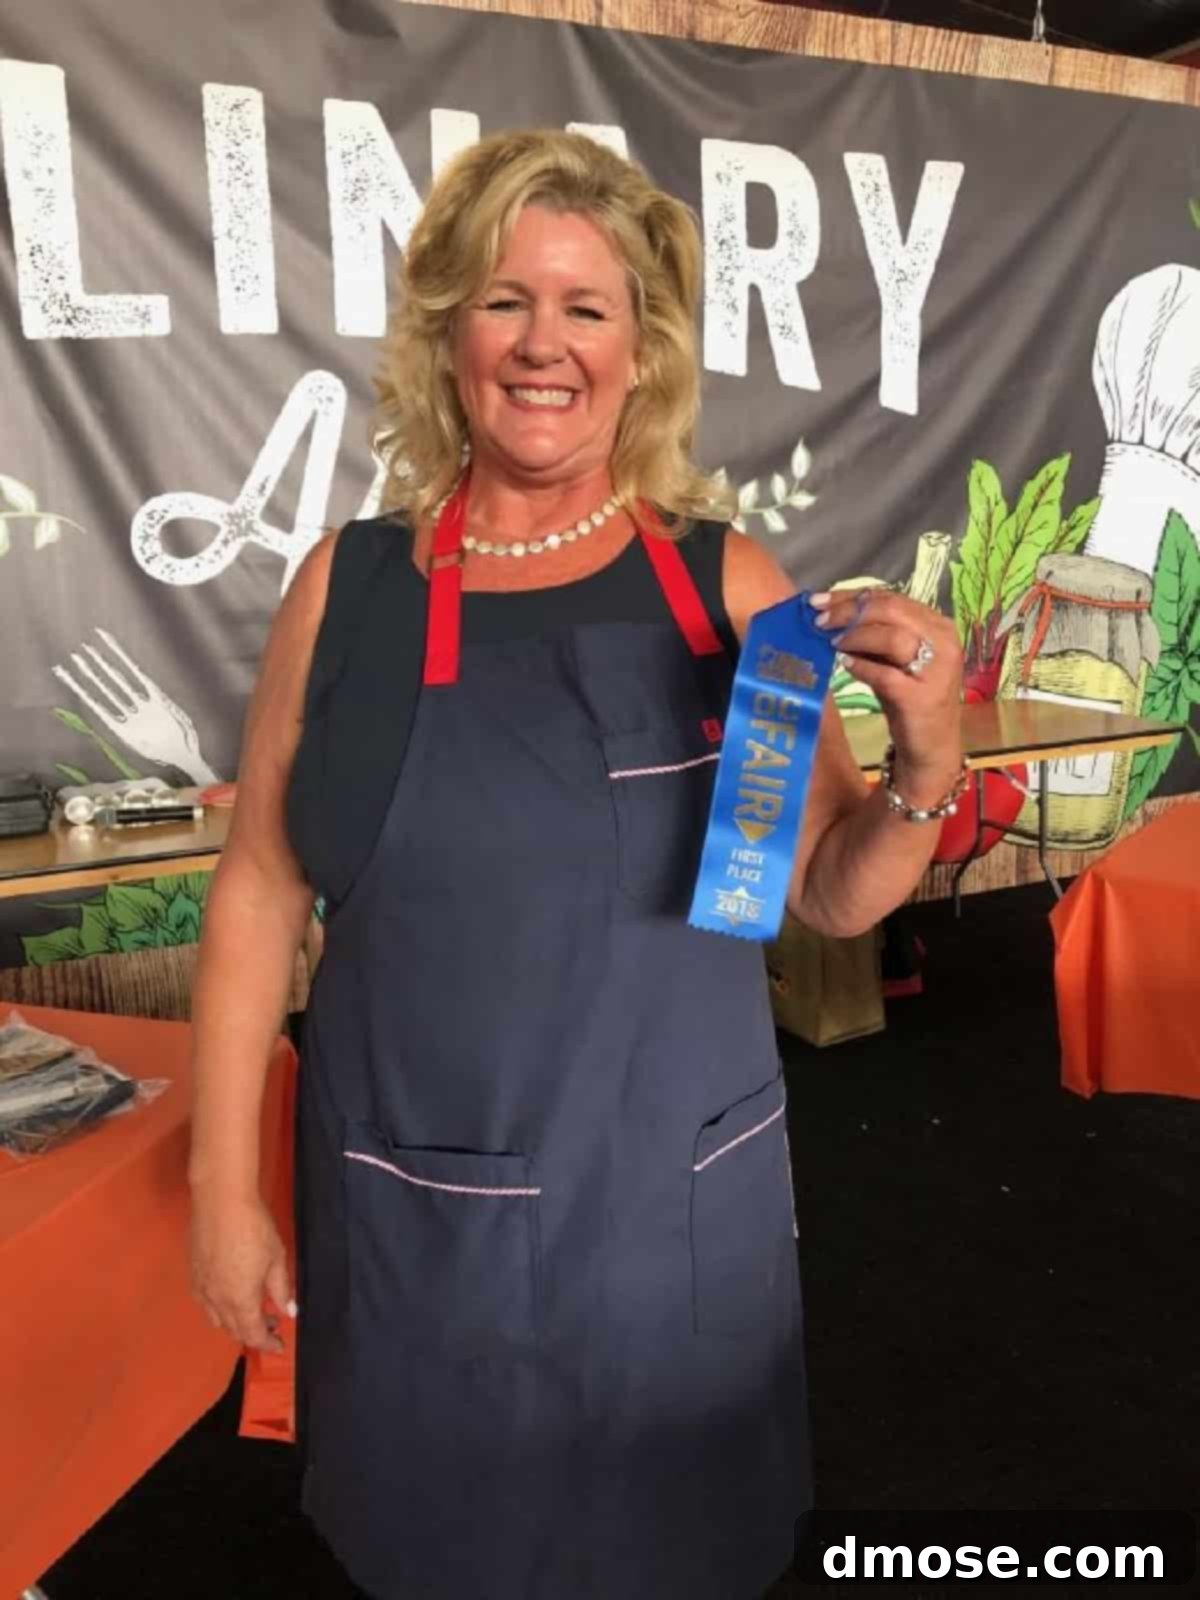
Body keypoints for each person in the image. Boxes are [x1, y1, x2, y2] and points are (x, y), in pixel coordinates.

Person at [188, 128, 963, 1600]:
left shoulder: (725, 586)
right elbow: (260, 888)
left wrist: (926, 767)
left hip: (669, 1206)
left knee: (673, 1545)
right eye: (506, 301)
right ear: (449, 334)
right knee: (440, 1548)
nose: (544, 344)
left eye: (586, 307)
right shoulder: (346, 589)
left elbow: (820, 889)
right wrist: (224, 1189)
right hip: (415, 1203)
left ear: (640, 350)